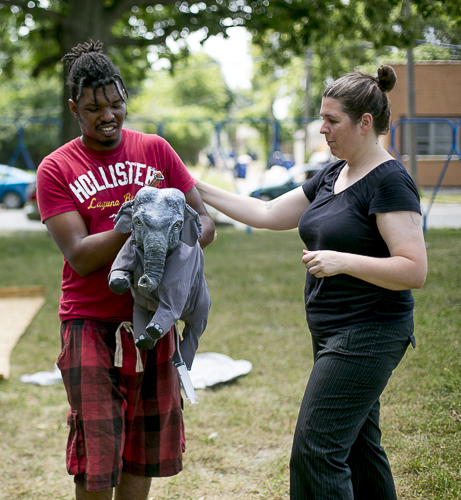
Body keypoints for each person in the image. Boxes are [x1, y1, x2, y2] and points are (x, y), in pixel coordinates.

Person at [196, 65, 427, 499]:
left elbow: (414, 269)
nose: (322, 129)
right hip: (332, 331)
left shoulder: (390, 181)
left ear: (365, 123)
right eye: (322, 118)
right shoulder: (331, 174)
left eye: (332, 120)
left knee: (316, 451)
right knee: (358, 446)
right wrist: (192, 183)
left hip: (369, 332)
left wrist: (344, 261)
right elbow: (265, 215)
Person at [37, 40, 215, 500]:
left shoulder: (155, 149)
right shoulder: (56, 168)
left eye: (116, 104)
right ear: (75, 108)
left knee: (142, 449)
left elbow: (206, 223)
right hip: (89, 322)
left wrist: (177, 225)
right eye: (95, 108)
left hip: (151, 323)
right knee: (98, 458)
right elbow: (79, 253)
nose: (109, 116)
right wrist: (138, 218)